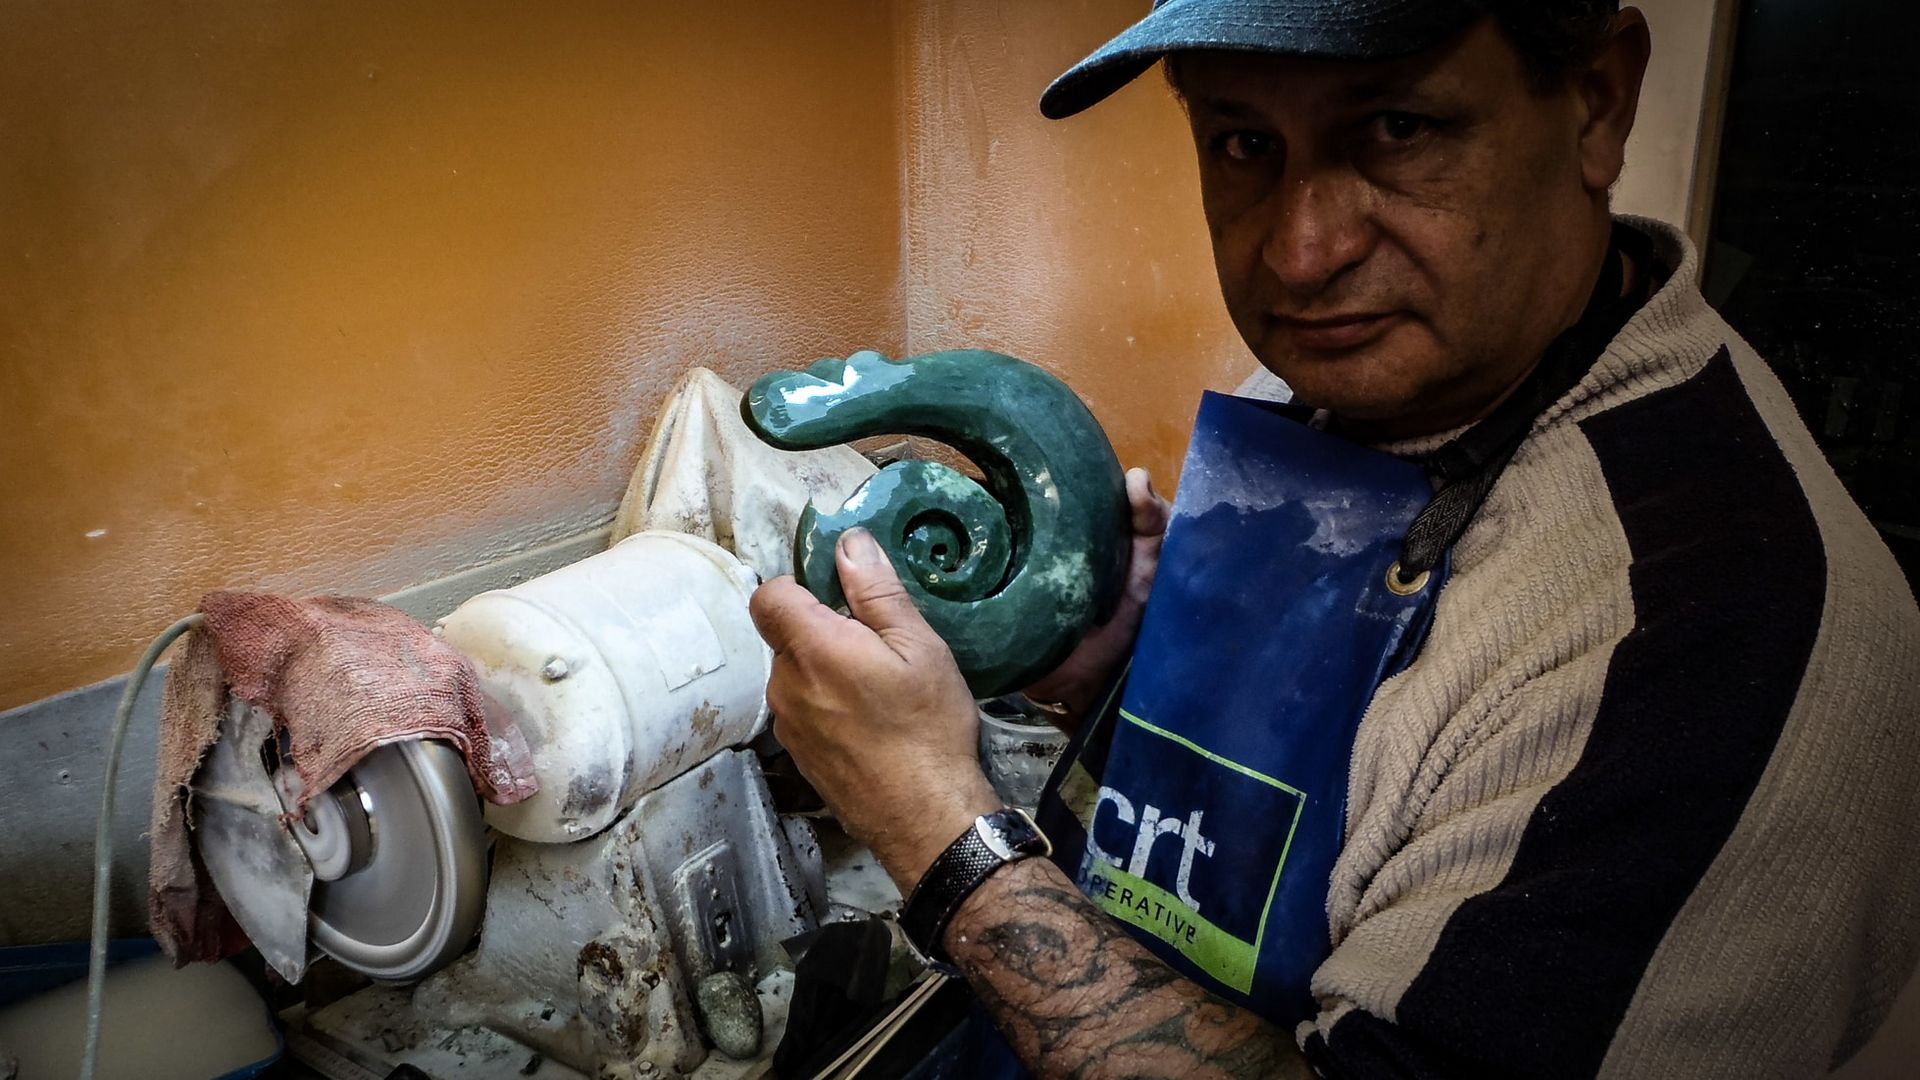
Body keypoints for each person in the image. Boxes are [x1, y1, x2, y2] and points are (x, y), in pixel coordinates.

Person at [747, 2, 1920, 1076]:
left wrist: (939, 829)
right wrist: (1116, 666)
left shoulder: (1707, 627)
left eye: (1399, 127)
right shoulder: (1356, 384)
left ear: (1599, 101)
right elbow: (1369, 780)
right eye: (1243, 142)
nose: (1299, 255)